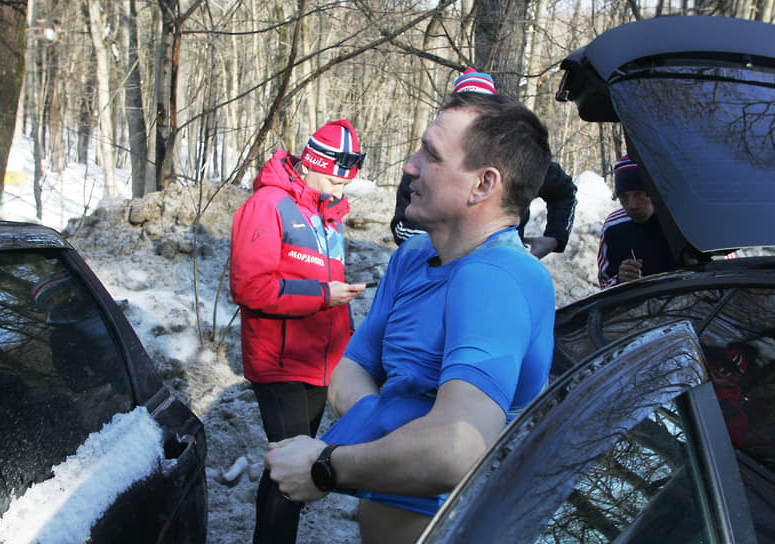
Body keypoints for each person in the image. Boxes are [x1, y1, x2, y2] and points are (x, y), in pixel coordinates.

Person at [264, 91, 556, 543]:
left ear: (483, 184)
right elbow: (349, 371)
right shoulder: (416, 255)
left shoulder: (499, 278)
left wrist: (326, 467)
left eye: (432, 155)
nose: (410, 166)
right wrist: (400, 434)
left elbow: (457, 447)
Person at [229, 119, 368, 544]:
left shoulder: (329, 215)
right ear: (310, 165)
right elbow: (250, 287)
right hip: (280, 363)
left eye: (346, 185)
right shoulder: (267, 205)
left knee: (290, 466)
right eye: (332, 180)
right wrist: (324, 294)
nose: (339, 192)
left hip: (318, 363)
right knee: (292, 473)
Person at [391, 68, 577, 259]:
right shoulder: (423, 165)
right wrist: (444, 246)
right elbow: (402, 227)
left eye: (479, 112)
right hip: (428, 272)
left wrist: (554, 237)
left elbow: (564, 192)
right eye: (461, 106)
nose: (411, 168)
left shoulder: (522, 163)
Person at [597, 155, 675, 288]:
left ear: (655, 191)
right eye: (624, 197)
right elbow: (605, 282)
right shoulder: (614, 227)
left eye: (639, 194)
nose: (632, 205)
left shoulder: (679, 222)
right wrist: (620, 279)